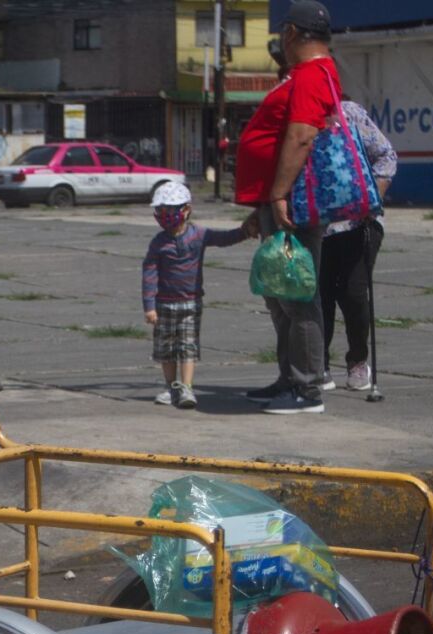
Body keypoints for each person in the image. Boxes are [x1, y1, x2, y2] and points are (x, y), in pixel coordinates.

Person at [235, 0, 341, 416]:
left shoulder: (314, 73)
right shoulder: (302, 74)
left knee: (298, 294)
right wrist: (264, 200)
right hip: (278, 200)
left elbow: (300, 136)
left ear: (293, 33)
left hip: (292, 202)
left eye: (283, 32)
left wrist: (277, 194)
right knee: (279, 293)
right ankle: (289, 378)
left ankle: (307, 387)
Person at [141, 181, 255, 409]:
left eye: (169, 210)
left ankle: (187, 389)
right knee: (166, 350)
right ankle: (171, 386)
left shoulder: (199, 235)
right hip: (164, 305)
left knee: (188, 347)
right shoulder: (158, 242)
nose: (164, 216)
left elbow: (224, 239)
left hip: (191, 303)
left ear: (186, 210)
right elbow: (149, 273)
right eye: (160, 211)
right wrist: (149, 305)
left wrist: (245, 232)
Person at [320, 98, 396, 392]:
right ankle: (319, 364)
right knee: (319, 295)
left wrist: (372, 197)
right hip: (317, 226)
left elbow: (386, 155)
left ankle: (357, 360)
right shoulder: (297, 118)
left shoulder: (348, 113)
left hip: (358, 222)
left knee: (352, 292)